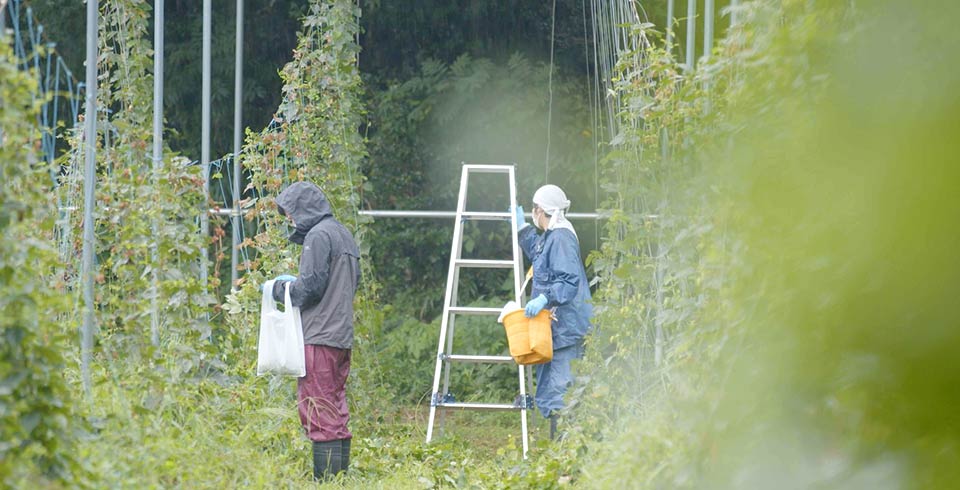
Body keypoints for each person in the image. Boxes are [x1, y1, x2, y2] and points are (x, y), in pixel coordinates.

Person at [269, 181, 361, 481]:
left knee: (318, 409)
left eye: (291, 214)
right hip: (340, 335)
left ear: (303, 209)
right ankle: (339, 482)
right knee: (334, 408)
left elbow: (309, 288)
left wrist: (279, 289)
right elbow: (350, 283)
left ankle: (326, 483)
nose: (291, 221)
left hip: (319, 336)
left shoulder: (318, 235)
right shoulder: (343, 233)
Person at [515, 184, 593, 440]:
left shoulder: (561, 237)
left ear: (542, 210)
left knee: (561, 391)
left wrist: (545, 297)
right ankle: (561, 454)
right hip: (555, 327)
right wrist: (522, 229)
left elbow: (568, 281)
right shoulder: (551, 235)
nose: (532, 213)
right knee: (551, 390)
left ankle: (566, 455)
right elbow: (539, 254)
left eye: (533, 210)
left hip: (567, 326)